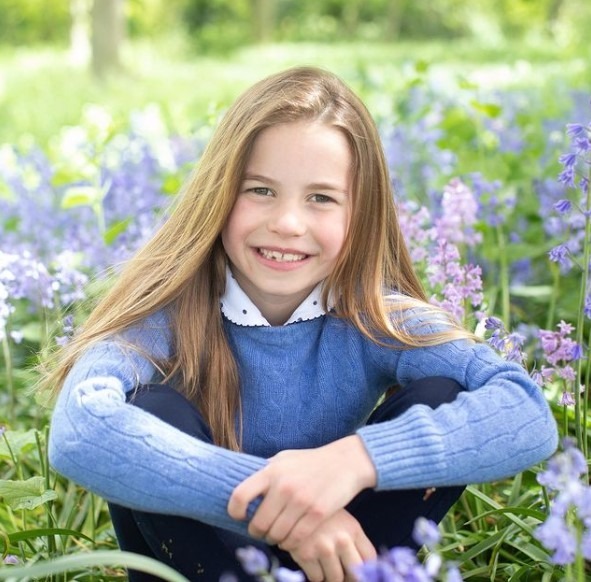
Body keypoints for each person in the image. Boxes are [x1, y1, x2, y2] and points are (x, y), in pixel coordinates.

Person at [45, 66, 558, 582]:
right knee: (150, 411)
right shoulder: (166, 316)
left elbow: (527, 412)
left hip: (336, 566)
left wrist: (353, 462)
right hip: (204, 564)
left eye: (321, 198)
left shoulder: (376, 316)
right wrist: (283, 508)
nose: (288, 223)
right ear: (218, 194)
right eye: (260, 190)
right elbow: (78, 432)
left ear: (360, 214)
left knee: (444, 393)